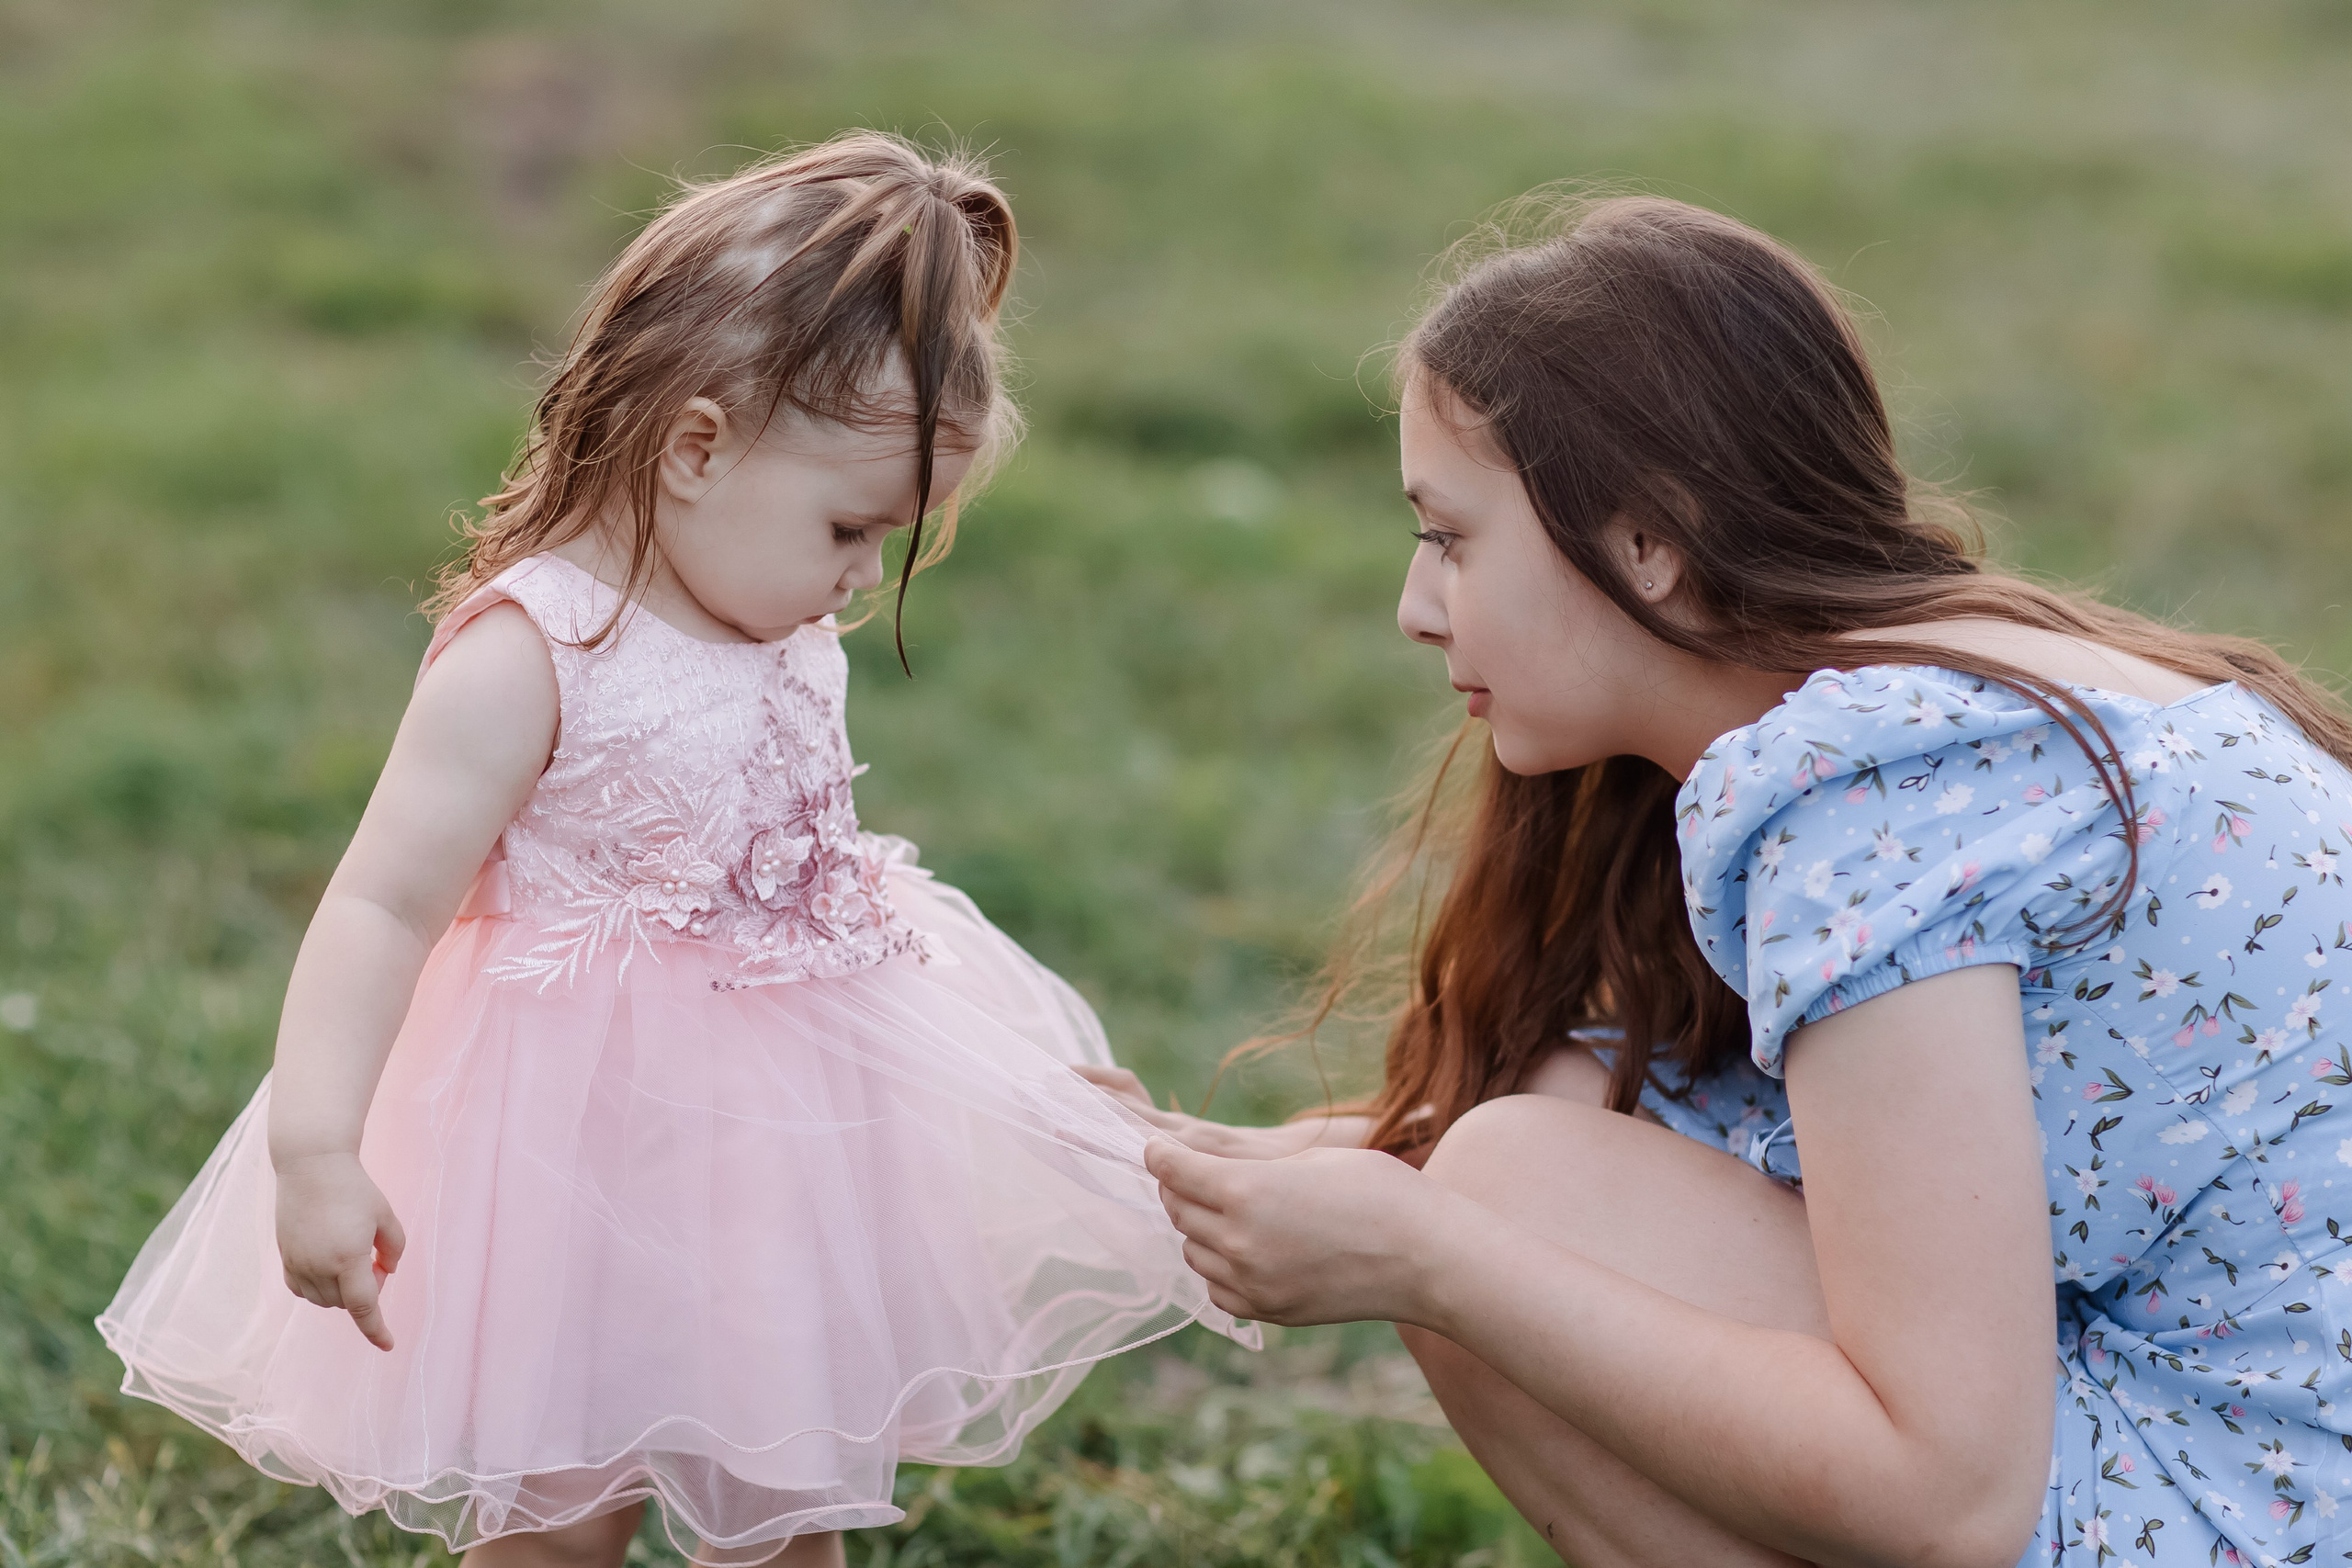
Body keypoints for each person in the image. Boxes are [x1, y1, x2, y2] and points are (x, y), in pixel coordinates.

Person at [1086, 194, 2352, 1566]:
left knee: (1509, 1186)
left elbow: (1945, 1501)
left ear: (1649, 542)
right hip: (2285, 1460)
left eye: (1449, 537)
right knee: (1545, 1112)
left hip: (2259, 1510)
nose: (1415, 604)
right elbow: (1748, 1114)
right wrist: (1269, 1163)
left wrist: (1429, 1259)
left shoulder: (1866, 795)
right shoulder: (1983, 685)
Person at [98, 132, 1252, 1568]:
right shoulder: (539, 653)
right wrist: (318, 1146)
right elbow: (384, 905)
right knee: (560, 1524)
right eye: (849, 528)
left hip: (787, 1155)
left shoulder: (781, 627)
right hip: (576, 1157)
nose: (853, 578)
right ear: (696, 447)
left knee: (789, 1515)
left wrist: (1015, 1080)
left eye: (884, 546)